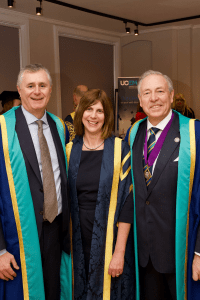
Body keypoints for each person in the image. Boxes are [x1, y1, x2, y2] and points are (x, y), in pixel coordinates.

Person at [0, 64, 71, 300]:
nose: (37, 91)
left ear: (50, 90)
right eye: (30, 86)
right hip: (17, 235)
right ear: (20, 90)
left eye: (42, 85)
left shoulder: (59, 126)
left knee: (53, 291)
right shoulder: (2, 129)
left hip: (55, 229)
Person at [129, 70, 200, 300]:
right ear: (140, 100)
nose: (154, 98)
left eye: (160, 91)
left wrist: (199, 252)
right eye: (147, 93)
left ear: (171, 96)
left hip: (182, 252)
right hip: (144, 255)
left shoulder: (194, 133)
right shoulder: (134, 133)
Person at [66, 89, 134, 299]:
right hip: (75, 238)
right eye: (88, 109)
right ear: (79, 113)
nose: (93, 116)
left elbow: (127, 203)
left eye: (99, 111)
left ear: (107, 116)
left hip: (110, 239)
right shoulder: (69, 150)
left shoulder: (119, 150)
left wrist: (119, 252)